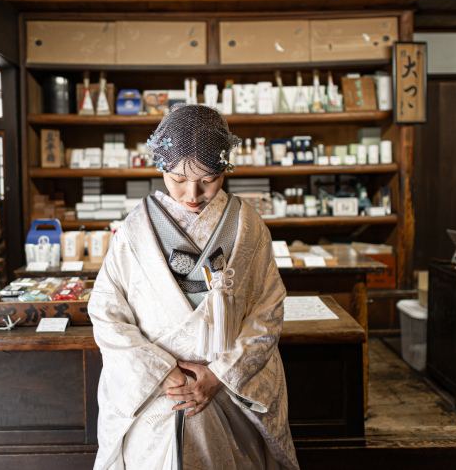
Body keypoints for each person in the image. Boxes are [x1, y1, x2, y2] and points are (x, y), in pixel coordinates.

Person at [89, 105, 299, 470]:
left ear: (225, 168)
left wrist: (220, 375)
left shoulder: (248, 225)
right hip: (158, 391)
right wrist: (159, 371)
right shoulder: (135, 229)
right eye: (178, 179)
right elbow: (106, 310)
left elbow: (269, 307)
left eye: (208, 179)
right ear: (161, 168)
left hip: (227, 388)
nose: (192, 193)